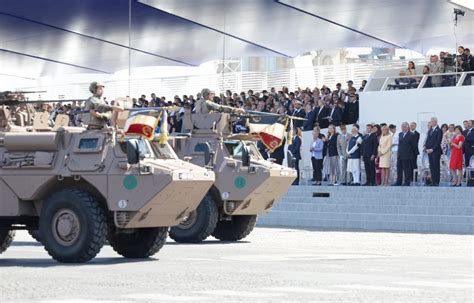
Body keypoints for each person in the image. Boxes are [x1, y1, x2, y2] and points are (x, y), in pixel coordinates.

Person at [395, 122, 417, 186]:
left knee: (407, 169)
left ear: (407, 127)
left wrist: (411, 155)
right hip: (400, 155)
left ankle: (407, 182)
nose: (402, 128)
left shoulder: (411, 135)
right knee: (399, 169)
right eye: (402, 127)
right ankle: (398, 181)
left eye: (404, 127)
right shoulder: (400, 134)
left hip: (407, 155)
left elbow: (414, 146)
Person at [424, 117, 443, 186]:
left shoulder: (439, 130)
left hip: (435, 151)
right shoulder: (430, 130)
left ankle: (436, 182)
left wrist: (432, 149)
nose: (431, 123)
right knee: (431, 166)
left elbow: (438, 141)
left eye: (432, 122)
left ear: (435, 122)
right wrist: (426, 148)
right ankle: (433, 181)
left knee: (436, 166)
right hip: (429, 151)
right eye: (430, 122)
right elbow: (428, 140)